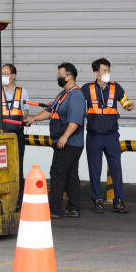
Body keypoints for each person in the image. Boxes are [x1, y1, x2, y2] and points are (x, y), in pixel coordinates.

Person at [24, 62, 86, 218]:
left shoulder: (76, 95)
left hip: (70, 142)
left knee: (57, 173)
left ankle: (55, 209)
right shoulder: (63, 94)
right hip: (67, 141)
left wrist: (64, 137)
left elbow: (75, 121)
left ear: (69, 76)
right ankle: (73, 208)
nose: (58, 78)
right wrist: (33, 119)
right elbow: (51, 111)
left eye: (60, 76)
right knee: (71, 174)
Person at [81, 58, 135, 214]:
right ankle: (97, 201)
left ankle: (118, 201)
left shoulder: (116, 87)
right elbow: (76, 101)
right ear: (96, 73)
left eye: (108, 70)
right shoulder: (86, 88)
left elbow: (125, 101)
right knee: (95, 170)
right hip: (94, 136)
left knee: (116, 168)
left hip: (111, 136)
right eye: (104, 71)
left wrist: (129, 105)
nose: (107, 73)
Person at [0, 64, 30, 208]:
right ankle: (1, 196)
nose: (3, 76)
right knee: (0, 167)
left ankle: (18, 199)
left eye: (5, 73)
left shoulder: (23, 92)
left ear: (13, 76)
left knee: (18, 167)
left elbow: (25, 113)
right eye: (1, 73)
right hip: (0, 137)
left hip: (17, 136)